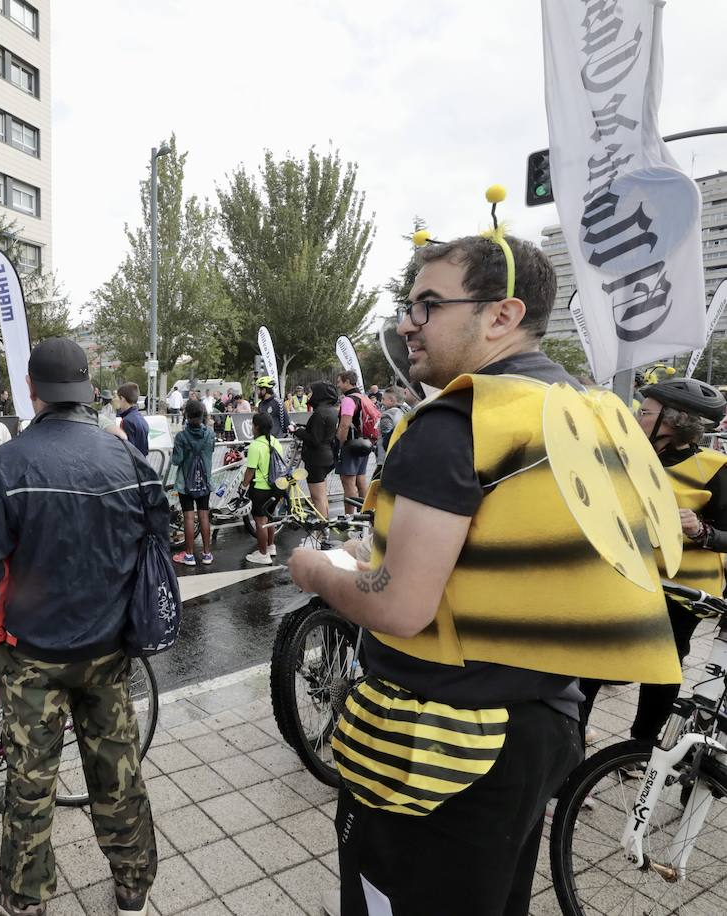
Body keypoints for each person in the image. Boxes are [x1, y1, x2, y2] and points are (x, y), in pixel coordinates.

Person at [287, 230, 679, 916]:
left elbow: (402, 607)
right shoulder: (585, 410)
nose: (408, 324)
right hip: (543, 724)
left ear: (503, 315)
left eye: (428, 305)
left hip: (438, 738)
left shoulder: (454, 422)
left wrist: (317, 571)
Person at [0, 337, 158, 916]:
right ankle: (132, 887)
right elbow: (154, 546)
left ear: (32, 390)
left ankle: (25, 896)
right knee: (117, 770)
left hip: (32, 653)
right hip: (107, 649)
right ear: (86, 389)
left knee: (30, 778)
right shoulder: (124, 456)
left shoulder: (10, 462)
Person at [578, 378, 727, 744]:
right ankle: (572, 743)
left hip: (682, 590)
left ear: (675, 421)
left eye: (645, 412)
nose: (636, 416)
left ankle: (641, 747)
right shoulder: (629, 455)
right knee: (594, 658)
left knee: (663, 666)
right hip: (626, 575)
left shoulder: (714, 468)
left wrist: (701, 531)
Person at [171, 398, 216, 566]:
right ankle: (206, 554)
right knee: (204, 516)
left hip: (185, 483)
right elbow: (210, 452)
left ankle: (189, 555)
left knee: (189, 518)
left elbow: (177, 460)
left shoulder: (181, 436)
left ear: (187, 416)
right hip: (204, 481)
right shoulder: (211, 434)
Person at [242, 411, 285, 565]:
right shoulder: (276, 442)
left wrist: (243, 486)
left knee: (260, 521)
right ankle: (271, 546)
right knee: (271, 518)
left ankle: (262, 554)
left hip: (260, 489)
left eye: (253, 425)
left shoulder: (255, 445)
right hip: (276, 488)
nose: (252, 428)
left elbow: (250, 470)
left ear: (257, 427)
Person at [294, 382, 339, 518]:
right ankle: (324, 527)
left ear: (320, 394)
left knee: (317, 497)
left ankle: (321, 530)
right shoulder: (331, 410)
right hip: (326, 455)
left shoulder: (319, 413)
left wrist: (297, 431)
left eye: (311, 392)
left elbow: (315, 439)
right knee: (322, 496)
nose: (309, 395)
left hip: (316, 458)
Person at [334, 370, 371, 502]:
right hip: (365, 443)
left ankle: (350, 517)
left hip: (350, 445)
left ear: (347, 382)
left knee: (348, 482)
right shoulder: (364, 397)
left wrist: (339, 444)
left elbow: (344, 425)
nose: (338, 385)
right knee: (361, 481)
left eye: (339, 382)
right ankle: (367, 514)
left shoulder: (349, 400)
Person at [114, 383, 149, 456]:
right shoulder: (140, 417)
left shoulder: (127, 421)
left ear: (122, 399)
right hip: (142, 462)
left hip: (132, 464)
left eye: (117, 398)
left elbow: (128, 450)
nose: (115, 400)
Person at [377, 386, 407, 462]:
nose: (381, 402)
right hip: (401, 454)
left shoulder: (387, 415)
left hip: (386, 457)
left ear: (391, 400)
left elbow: (386, 438)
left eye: (383, 399)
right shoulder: (406, 412)